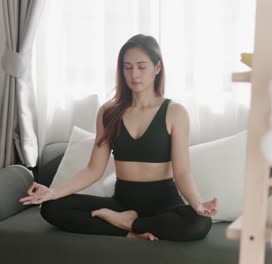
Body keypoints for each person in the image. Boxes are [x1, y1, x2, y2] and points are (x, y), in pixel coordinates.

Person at [19, 34, 218, 241]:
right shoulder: (108, 112)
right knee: (51, 207)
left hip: (164, 206)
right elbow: (93, 169)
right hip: (121, 204)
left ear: (157, 68)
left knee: (200, 223)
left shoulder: (175, 112)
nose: (134, 74)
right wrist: (53, 192)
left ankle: (129, 223)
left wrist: (197, 204)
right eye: (127, 67)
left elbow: (183, 172)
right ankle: (129, 231)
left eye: (142, 67)